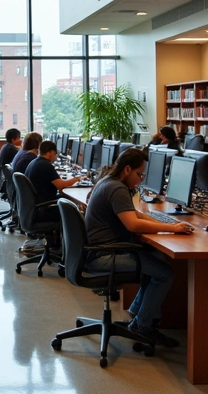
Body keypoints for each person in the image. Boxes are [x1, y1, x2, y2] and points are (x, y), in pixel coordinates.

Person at [84, 147, 193, 346]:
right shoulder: (117, 189)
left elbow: (133, 213)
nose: (141, 179)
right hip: (104, 255)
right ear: (127, 169)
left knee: (155, 260)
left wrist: (166, 224)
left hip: (100, 250)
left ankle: (138, 316)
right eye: (139, 174)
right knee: (164, 273)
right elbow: (132, 224)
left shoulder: (109, 181)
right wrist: (173, 229)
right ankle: (144, 326)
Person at [24, 141, 82, 207]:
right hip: (44, 204)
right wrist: (78, 178)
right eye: (55, 153)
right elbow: (62, 186)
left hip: (35, 202)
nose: (56, 156)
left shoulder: (34, 162)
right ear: (50, 152)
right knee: (70, 201)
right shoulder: (45, 165)